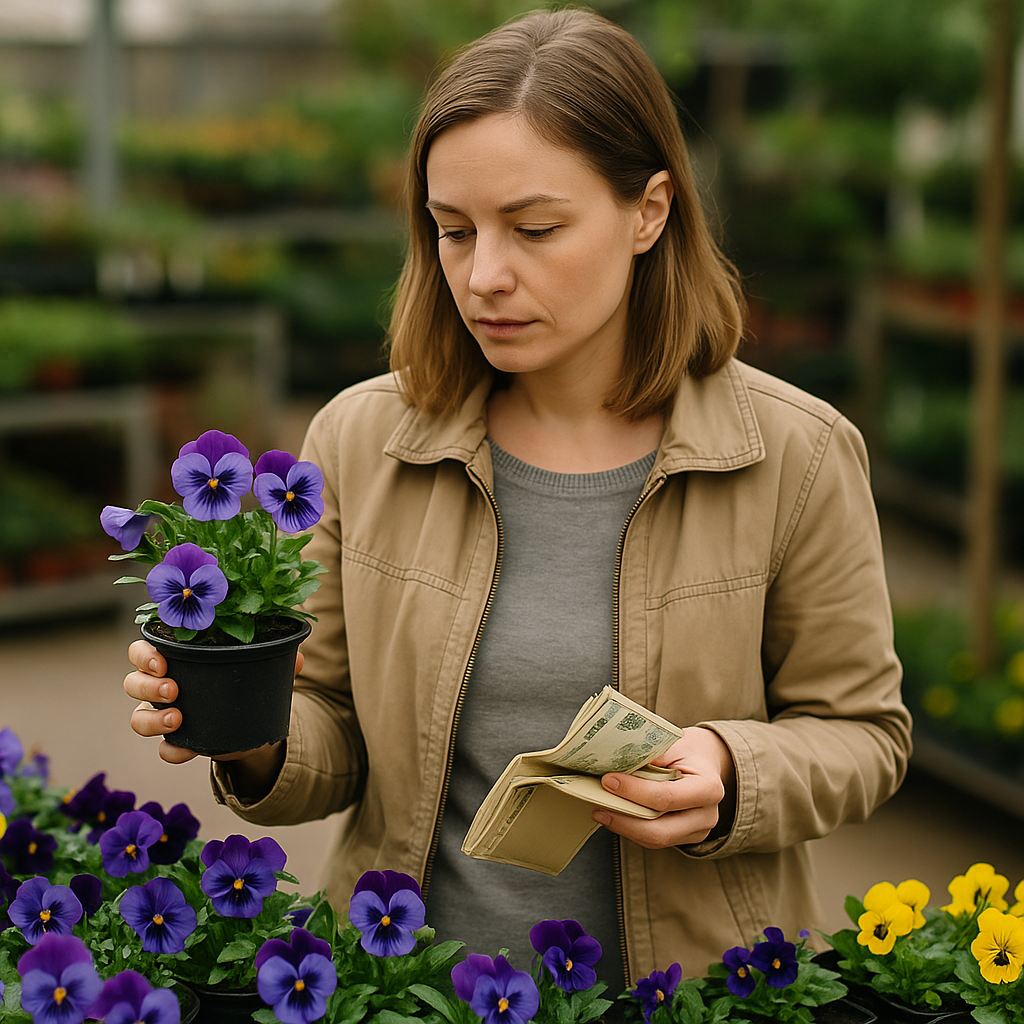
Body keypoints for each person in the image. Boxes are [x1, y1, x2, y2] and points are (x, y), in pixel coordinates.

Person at [123, 6, 912, 991]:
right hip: (404, 993)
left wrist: (732, 770)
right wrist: (244, 728)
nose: (483, 275)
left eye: (535, 228)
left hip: (694, 992)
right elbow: (329, 729)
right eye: (452, 231)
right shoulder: (363, 440)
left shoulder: (793, 455)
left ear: (649, 212)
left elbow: (863, 734)